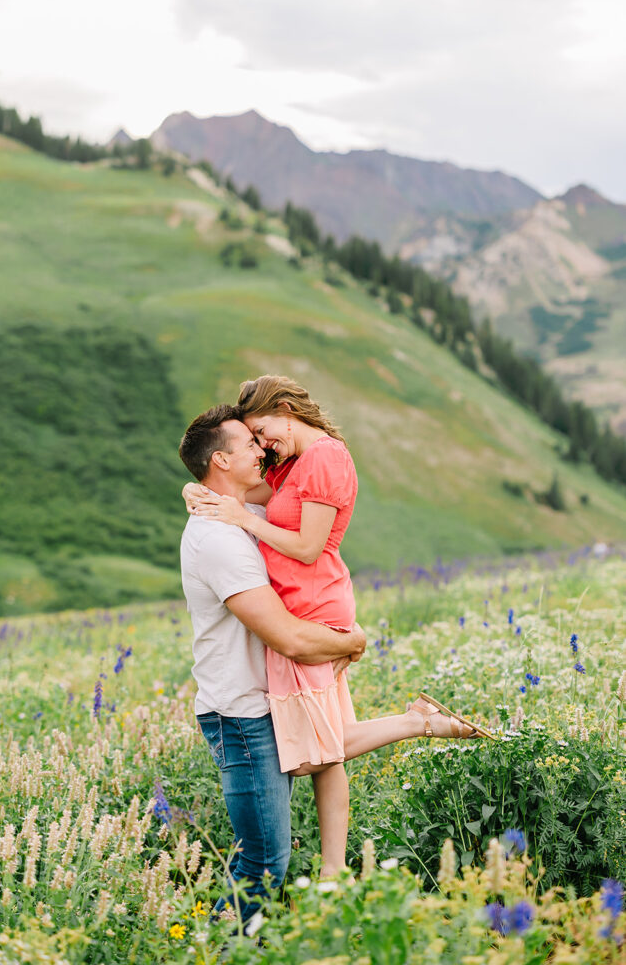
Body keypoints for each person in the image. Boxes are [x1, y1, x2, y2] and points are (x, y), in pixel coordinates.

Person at [185, 376, 492, 878]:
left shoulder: (324, 457)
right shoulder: (296, 463)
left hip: (310, 607)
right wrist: (196, 488)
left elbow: (307, 546)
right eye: (253, 441)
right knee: (329, 750)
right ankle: (332, 872)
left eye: (261, 431)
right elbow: (235, 486)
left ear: (286, 409)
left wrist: (243, 518)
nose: (262, 447)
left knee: (315, 749)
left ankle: (419, 724)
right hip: (308, 602)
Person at [178, 404, 367, 923]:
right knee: (264, 862)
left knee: (268, 858)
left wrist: (197, 489)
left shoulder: (249, 517)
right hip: (241, 715)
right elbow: (288, 638)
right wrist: (354, 642)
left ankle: (241, 946)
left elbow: (284, 518)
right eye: (248, 444)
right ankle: (216, 952)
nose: (262, 449)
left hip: (263, 703)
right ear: (220, 459)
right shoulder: (217, 539)